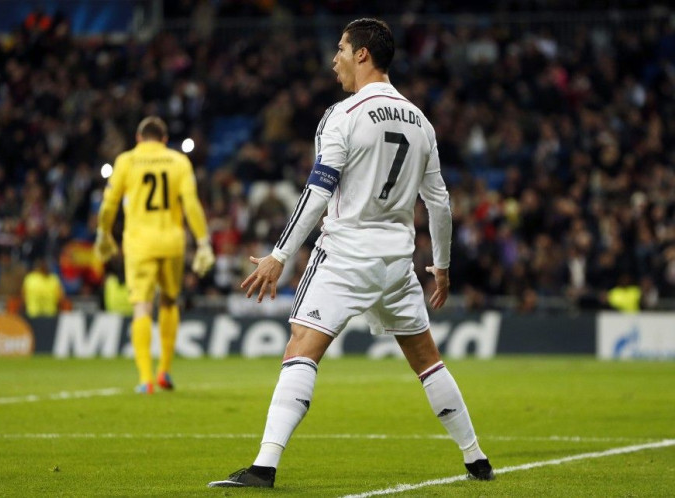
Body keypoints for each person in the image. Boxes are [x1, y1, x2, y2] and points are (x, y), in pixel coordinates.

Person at [209, 18, 493, 488]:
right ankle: (475, 457)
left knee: (302, 345)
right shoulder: (421, 121)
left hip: (345, 255)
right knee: (427, 359)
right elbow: (439, 202)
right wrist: (441, 266)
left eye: (341, 49)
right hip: (398, 263)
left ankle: (264, 466)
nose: (334, 58)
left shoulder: (343, 114)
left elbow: (318, 191)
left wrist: (280, 254)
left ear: (363, 54)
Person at [94, 116, 214, 394]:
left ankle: (145, 379)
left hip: (139, 245)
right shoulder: (177, 161)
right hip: (172, 242)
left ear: (138, 138)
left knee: (142, 307)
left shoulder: (127, 161)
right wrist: (203, 241)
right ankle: (165, 371)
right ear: (164, 139)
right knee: (170, 302)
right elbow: (191, 204)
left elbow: (109, 204)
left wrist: (103, 233)